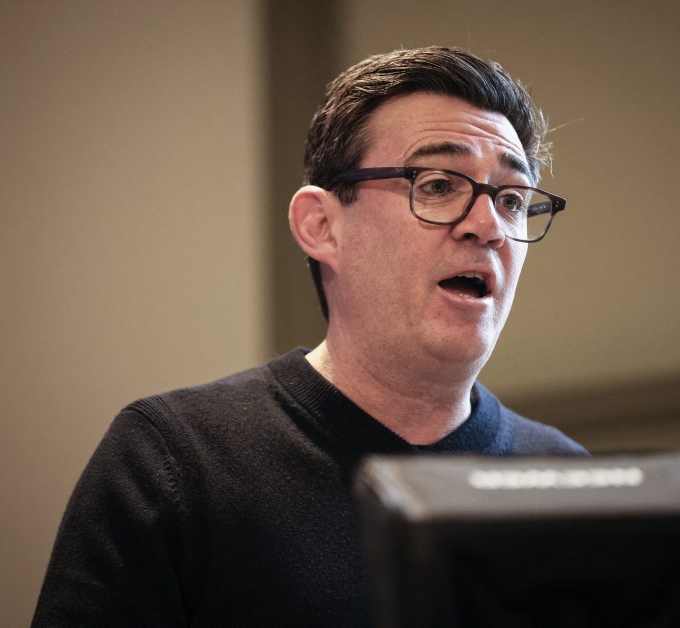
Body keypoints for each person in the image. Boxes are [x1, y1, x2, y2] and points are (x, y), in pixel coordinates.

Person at [32, 46, 586, 627]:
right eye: (438, 184)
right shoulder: (172, 462)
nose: (489, 226)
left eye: (512, 199)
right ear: (321, 226)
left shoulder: (571, 483)